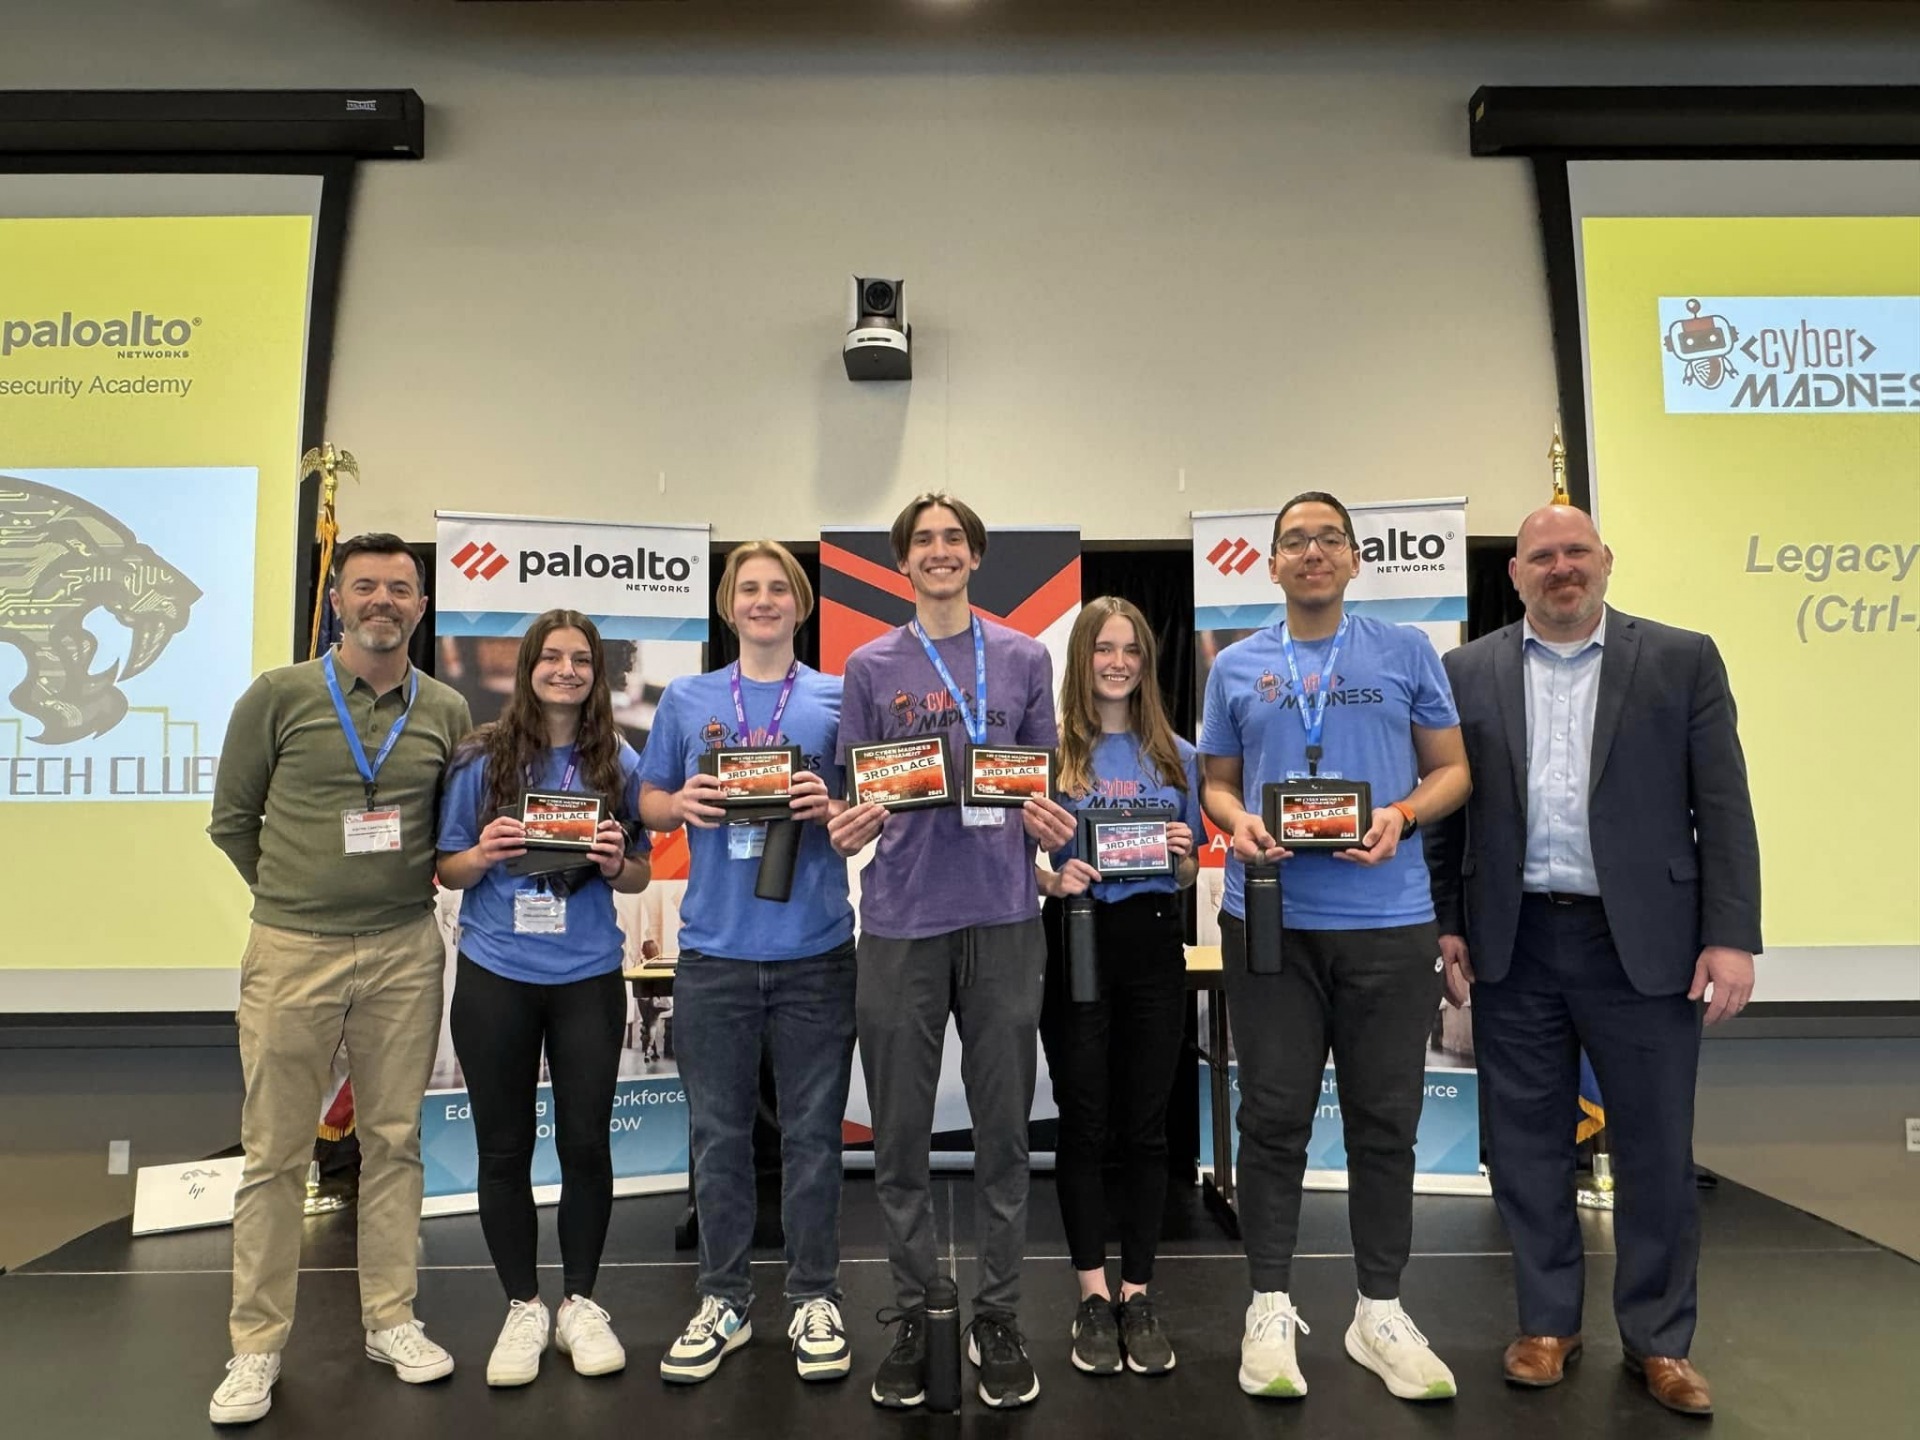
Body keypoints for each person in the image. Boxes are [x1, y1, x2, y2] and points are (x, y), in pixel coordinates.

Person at [1426, 504, 1759, 1418]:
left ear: (1606, 560)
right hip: (1516, 941)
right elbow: (1448, 814)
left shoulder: (1682, 659)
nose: (1561, 567)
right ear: (1516, 574)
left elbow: (1723, 805)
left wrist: (1732, 935)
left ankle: (1660, 1341)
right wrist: (1448, 922)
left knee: (1655, 1149)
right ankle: (1547, 1324)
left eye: (1577, 551)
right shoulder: (1468, 671)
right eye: (1542, 556)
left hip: (1647, 946)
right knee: (1526, 1148)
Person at [1197, 491, 1470, 1405]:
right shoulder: (1237, 665)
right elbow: (1219, 783)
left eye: (1328, 539)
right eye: (1294, 541)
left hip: (1389, 922)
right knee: (1271, 1117)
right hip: (1270, 919)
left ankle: (1378, 1310)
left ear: (1355, 559)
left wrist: (1402, 815)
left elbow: (1453, 770)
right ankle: (1269, 1305)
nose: (1311, 552)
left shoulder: (1406, 651)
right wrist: (1235, 824)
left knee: (1384, 1121)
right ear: (1271, 564)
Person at [206, 534, 472, 1425]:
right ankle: (255, 1346)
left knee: (394, 1143)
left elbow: (451, 826)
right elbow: (232, 820)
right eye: (366, 586)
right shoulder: (278, 695)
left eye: (400, 588)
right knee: (275, 1153)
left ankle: (391, 1319)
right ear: (337, 601)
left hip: (404, 949)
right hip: (293, 950)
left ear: (421, 606)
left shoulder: (445, 708)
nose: (382, 601)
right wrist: (296, 897)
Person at [829, 493, 1075, 1411]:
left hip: (1006, 917)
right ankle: (915, 1311)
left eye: (953, 539)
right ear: (903, 562)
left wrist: (1052, 824)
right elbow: (854, 793)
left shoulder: (1023, 657)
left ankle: (998, 1315)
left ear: (975, 556)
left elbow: (1047, 783)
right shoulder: (868, 664)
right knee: (899, 1137)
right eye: (923, 540)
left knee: (1004, 1133)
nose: (939, 551)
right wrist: (848, 826)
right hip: (900, 922)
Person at [637, 540, 859, 1386]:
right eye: (748, 589)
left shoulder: (838, 695)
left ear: (801, 604)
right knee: (719, 1139)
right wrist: (678, 802)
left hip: (816, 954)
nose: (763, 601)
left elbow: (869, 803)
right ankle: (722, 1301)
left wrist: (832, 804)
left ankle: (814, 1297)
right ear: (728, 605)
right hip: (715, 957)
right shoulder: (687, 698)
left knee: (813, 1141)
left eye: (778, 589)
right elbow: (649, 798)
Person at [435, 609, 654, 1388]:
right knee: (503, 1150)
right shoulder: (481, 758)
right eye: (552, 657)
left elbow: (640, 875)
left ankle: (581, 1304)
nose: (567, 670)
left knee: (587, 1146)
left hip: (586, 976)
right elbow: (447, 868)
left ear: (598, 673)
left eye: (581, 659)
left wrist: (615, 863)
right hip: (496, 973)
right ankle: (523, 1306)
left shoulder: (619, 761)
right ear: (529, 667)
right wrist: (482, 852)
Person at [1035, 597, 1205, 1379]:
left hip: (1153, 943)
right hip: (1077, 939)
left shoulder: (1178, 755)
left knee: (1146, 1128)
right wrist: (1053, 877)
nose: (1118, 662)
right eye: (1104, 648)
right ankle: (1092, 1297)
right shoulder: (1050, 753)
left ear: (1146, 661)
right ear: (1083, 658)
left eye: (1131, 649)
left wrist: (1182, 854)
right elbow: (1016, 860)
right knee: (1085, 1122)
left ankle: (1137, 1293)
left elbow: (1188, 870)